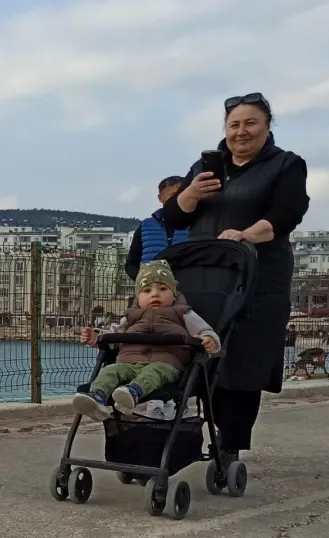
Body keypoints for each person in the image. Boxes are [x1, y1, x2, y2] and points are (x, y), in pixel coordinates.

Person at [160, 92, 310, 461]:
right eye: (234, 125)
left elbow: (287, 214)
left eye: (250, 123)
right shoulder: (206, 166)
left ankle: (230, 443)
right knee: (197, 353)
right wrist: (190, 193)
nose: (241, 132)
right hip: (205, 274)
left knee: (243, 359)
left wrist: (246, 234)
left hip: (259, 274)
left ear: (267, 126)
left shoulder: (285, 165)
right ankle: (183, 434)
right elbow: (174, 218)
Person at [72, 259, 220, 421]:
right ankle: (98, 397)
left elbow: (204, 330)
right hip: (128, 362)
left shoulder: (183, 313)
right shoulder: (131, 317)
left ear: (174, 294)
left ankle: (133, 393)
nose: (155, 294)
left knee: (154, 372)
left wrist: (209, 340)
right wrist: (96, 337)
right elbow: (114, 335)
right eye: (147, 290)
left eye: (163, 289)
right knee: (110, 370)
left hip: (166, 363)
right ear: (138, 297)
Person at [123, 176, 189, 280]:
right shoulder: (146, 226)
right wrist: (144, 282)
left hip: (189, 287)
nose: (177, 200)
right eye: (172, 196)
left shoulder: (198, 222)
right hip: (155, 289)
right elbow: (131, 264)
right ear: (160, 198)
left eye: (181, 195)